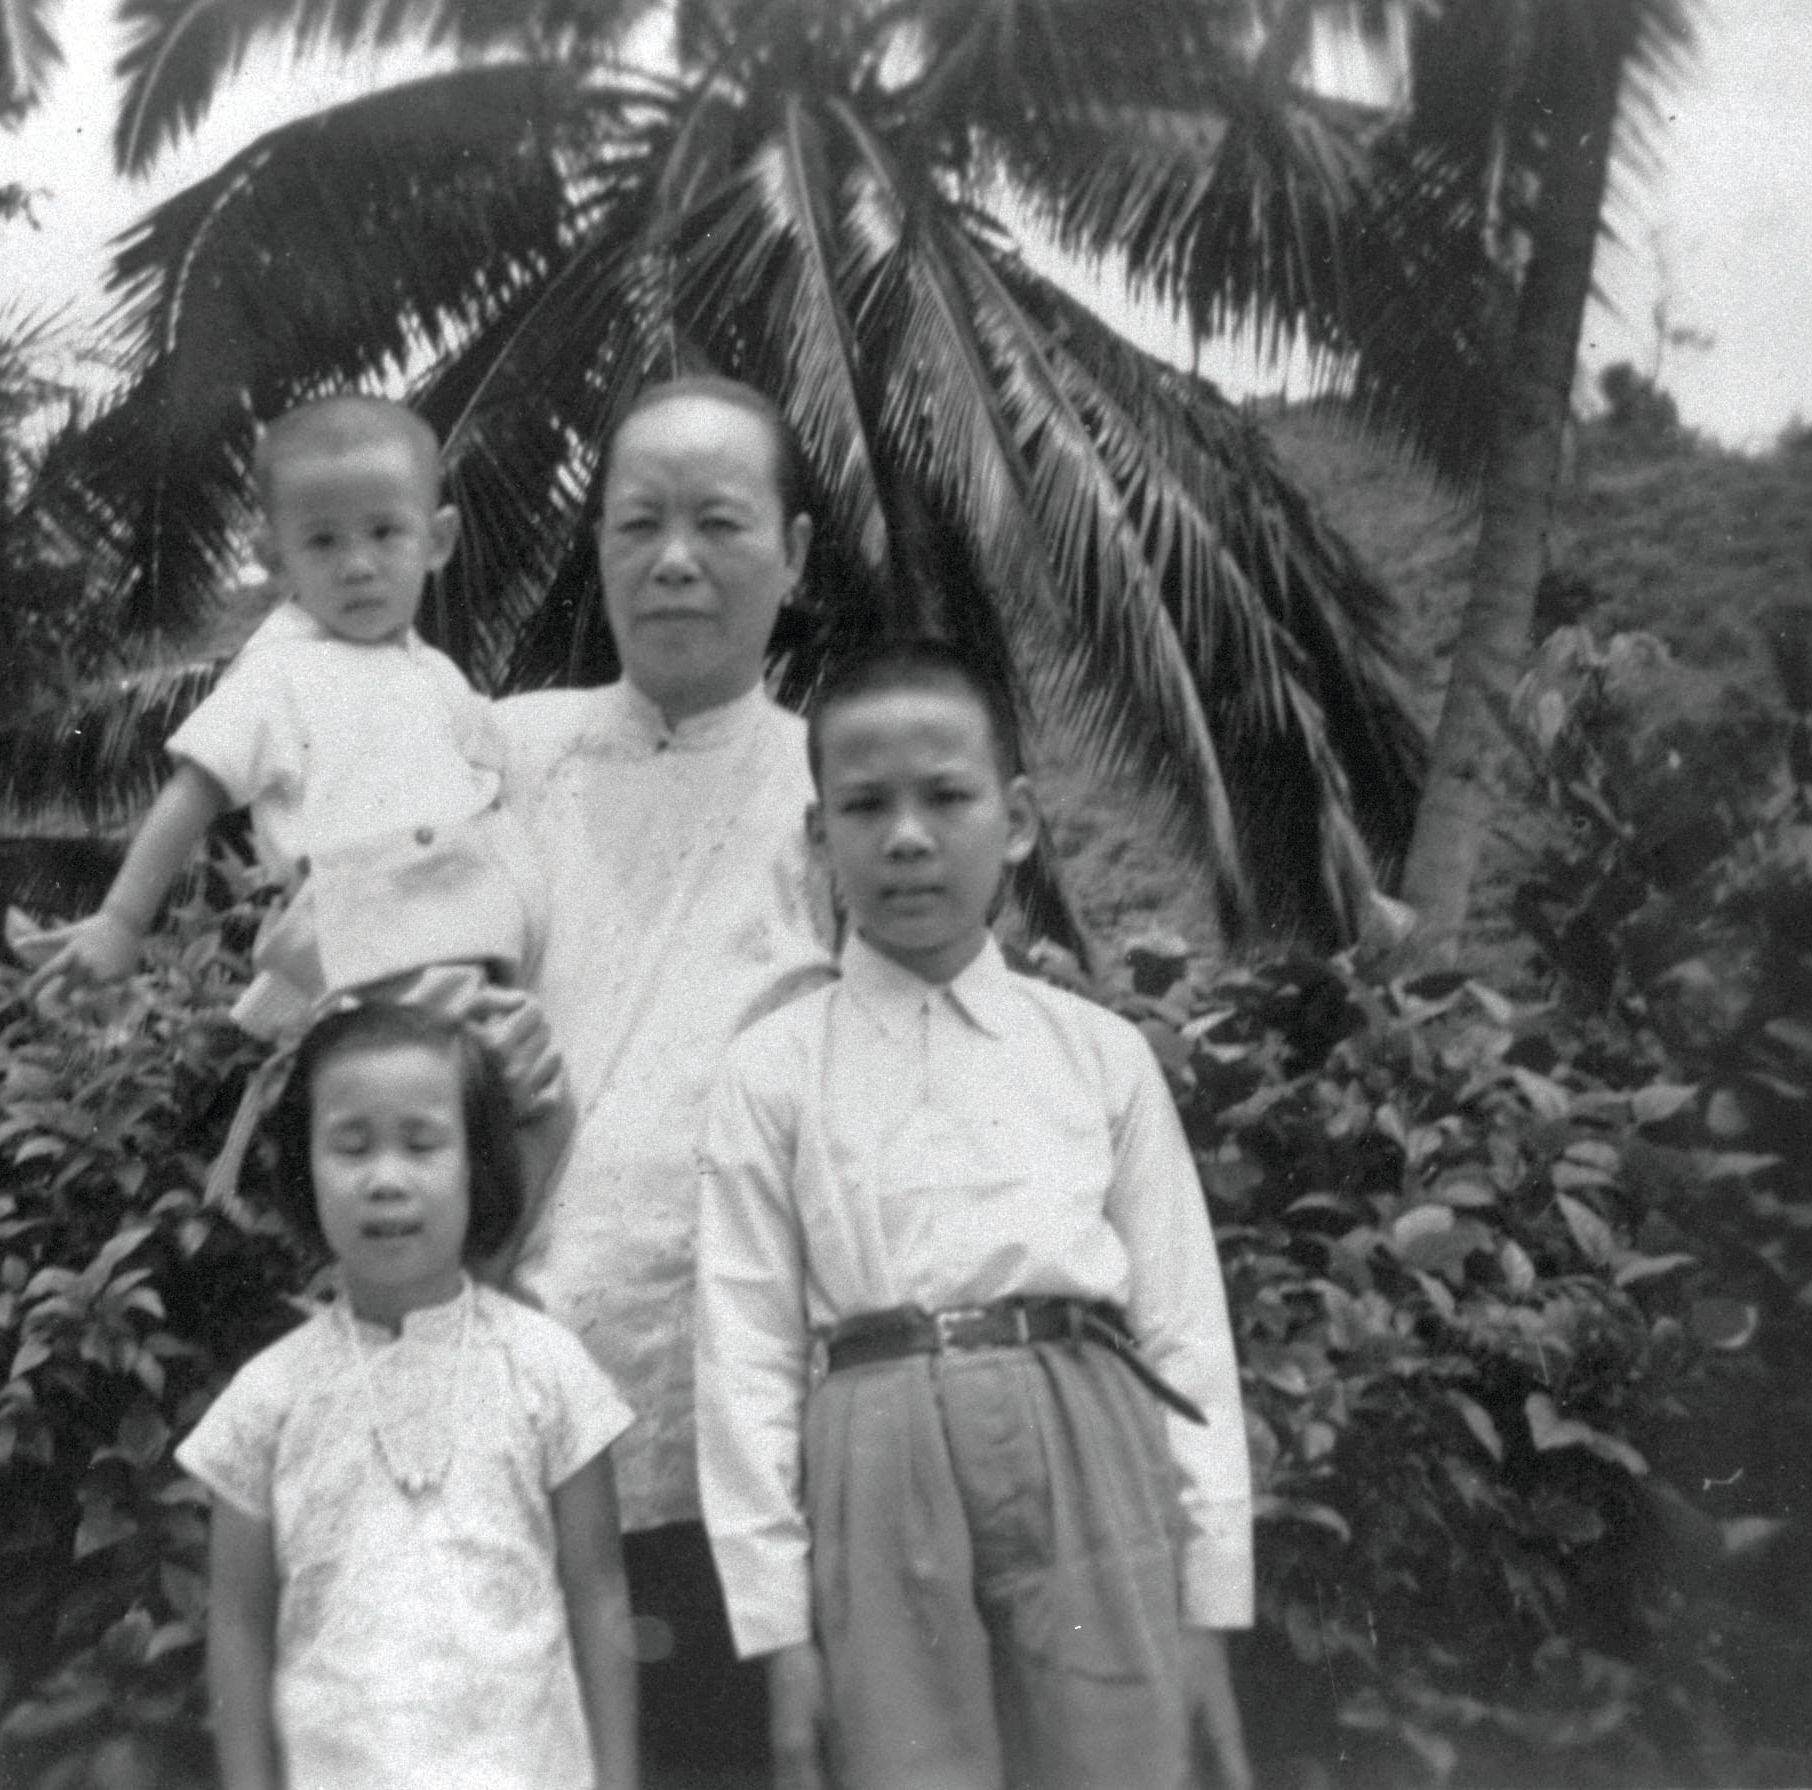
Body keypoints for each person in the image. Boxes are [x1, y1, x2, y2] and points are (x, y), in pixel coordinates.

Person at [693, 638, 1255, 1790]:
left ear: (1017, 820)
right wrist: (778, 1630)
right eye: (864, 804)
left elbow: (1185, 1326)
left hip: (1086, 1435)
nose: (907, 835)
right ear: (817, 838)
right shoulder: (774, 1070)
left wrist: (1209, 1594)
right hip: (873, 1445)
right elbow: (742, 1353)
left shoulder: (1094, 1053)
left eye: (945, 796)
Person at [493, 377, 837, 1785]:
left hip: (746, 1429)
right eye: (635, 523)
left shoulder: (844, 788)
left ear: (795, 555)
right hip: (501, 1407)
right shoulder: (501, 751)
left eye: (716, 522)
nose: (672, 558)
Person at [24, 392, 565, 1188]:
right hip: (382, 947)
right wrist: (120, 919)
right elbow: (191, 792)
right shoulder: (279, 673)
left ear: (437, 539)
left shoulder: (435, 676)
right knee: (479, 1124)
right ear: (276, 559)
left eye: (385, 533)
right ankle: (461, 1286)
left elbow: (500, 781)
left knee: (510, 1121)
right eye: (322, 541)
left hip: (460, 948)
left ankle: (473, 1283)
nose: (356, 564)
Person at [178, 1001, 639, 1790]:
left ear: (477, 1165)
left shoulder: (548, 1369)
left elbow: (598, 1600)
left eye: (422, 1145)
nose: (386, 1180)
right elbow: (239, 1630)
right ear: (303, 1171)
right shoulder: (267, 1401)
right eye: (350, 1147)